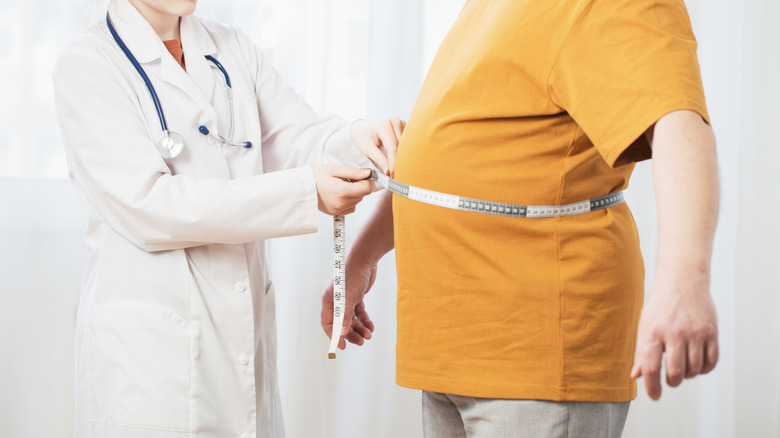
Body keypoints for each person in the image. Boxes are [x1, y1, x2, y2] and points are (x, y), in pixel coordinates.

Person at [321, 0, 719, 436]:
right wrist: (362, 258)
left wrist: (685, 280)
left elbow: (679, 124)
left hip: (538, 345)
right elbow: (448, 157)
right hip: (450, 341)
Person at [53, 0, 403, 437]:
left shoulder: (230, 47)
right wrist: (305, 191)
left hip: (241, 338)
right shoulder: (87, 63)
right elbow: (149, 206)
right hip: (149, 362)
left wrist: (355, 139)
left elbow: (297, 140)